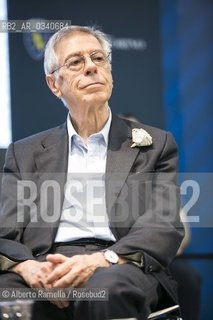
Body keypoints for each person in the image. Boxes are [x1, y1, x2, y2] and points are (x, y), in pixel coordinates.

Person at [0, 25, 183, 320]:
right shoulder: (25, 153)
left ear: (110, 73)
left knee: (107, 290)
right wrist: (28, 268)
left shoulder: (155, 143)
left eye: (98, 59)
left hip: (120, 263)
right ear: (54, 84)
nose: (90, 68)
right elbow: (4, 233)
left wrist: (102, 260)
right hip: (46, 263)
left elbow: (164, 225)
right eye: (75, 62)